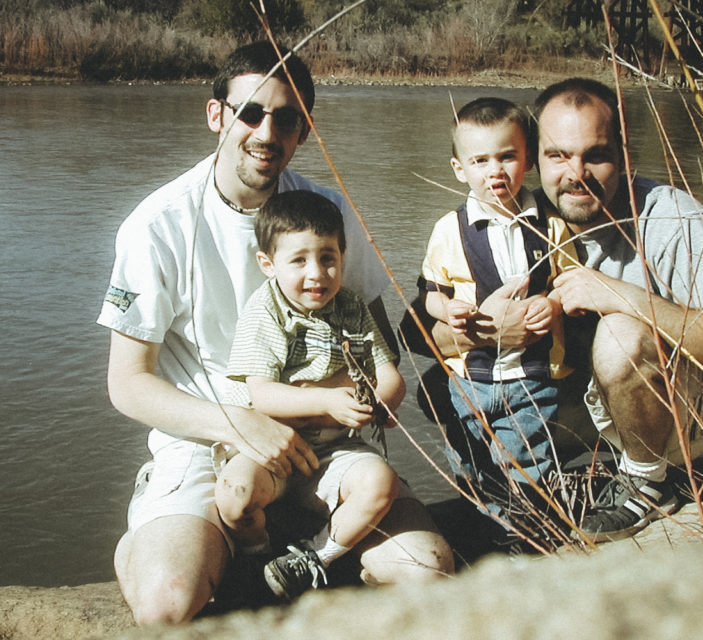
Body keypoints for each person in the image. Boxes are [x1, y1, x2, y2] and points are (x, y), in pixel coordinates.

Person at [98, 41, 453, 625]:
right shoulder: (157, 226)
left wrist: (370, 397)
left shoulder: (327, 213)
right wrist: (238, 422)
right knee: (168, 603)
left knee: (429, 569)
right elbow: (128, 385)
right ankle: (175, 529)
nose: (267, 131)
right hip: (209, 438)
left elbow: (377, 346)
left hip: (324, 441)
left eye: (286, 118)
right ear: (217, 115)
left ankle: (306, 551)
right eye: (250, 112)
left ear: (304, 129)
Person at [412, 78, 703, 543]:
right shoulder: (526, 219)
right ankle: (512, 498)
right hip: (575, 392)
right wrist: (492, 332)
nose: (576, 173)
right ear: (536, 157)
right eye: (558, 155)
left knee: (619, 335)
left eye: (596, 154)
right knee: (438, 387)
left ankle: (649, 485)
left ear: (624, 153)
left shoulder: (670, 216)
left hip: (676, 411)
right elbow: (416, 332)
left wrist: (619, 295)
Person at [217, 189, 405, 601]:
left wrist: (379, 404)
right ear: (268, 264)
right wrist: (327, 402)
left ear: (342, 256)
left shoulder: (351, 307)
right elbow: (262, 395)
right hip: (272, 449)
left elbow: (390, 376)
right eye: (299, 260)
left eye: (328, 257)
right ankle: (256, 552)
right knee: (235, 495)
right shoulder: (264, 311)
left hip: (334, 450)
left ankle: (313, 557)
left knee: (381, 482)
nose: (317, 273)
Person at [418, 97, 575, 515]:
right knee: (468, 461)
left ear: (529, 160)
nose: (495, 171)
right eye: (481, 161)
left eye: (508, 157)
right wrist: (445, 310)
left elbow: (570, 281)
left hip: (531, 376)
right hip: (469, 377)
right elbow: (430, 291)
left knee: (527, 461)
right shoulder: (449, 230)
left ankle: (529, 527)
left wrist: (555, 304)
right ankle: (488, 516)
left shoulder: (551, 224)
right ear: (459, 169)